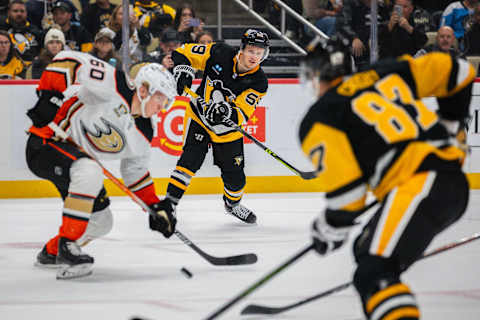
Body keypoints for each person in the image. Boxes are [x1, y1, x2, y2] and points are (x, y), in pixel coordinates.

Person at [298, 35, 475, 320]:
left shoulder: (322, 115)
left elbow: (348, 196)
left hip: (421, 185)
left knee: (374, 270)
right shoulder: (389, 72)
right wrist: (451, 124)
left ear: (318, 74)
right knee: (364, 249)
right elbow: (462, 71)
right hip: (448, 182)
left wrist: (328, 228)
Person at [25, 51, 178, 279]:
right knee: (90, 170)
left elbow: (135, 172)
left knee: (102, 221)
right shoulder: (113, 84)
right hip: (47, 142)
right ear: (144, 90)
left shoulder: (145, 131)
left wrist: (155, 206)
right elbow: (69, 60)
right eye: (161, 99)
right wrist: (49, 95)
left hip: (76, 162)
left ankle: (52, 252)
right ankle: (69, 247)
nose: (163, 107)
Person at [158, 29, 269, 224]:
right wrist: (184, 70)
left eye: (259, 53)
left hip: (227, 131)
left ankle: (232, 205)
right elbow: (183, 51)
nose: (255, 56)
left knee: (236, 179)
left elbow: (243, 111)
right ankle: (169, 204)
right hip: (200, 118)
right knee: (188, 162)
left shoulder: (259, 82)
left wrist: (226, 113)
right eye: (251, 51)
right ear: (242, 49)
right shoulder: (219, 52)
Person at [0, 0, 42, 64]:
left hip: (30, 69)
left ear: (26, 13)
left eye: (22, 11)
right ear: (8, 12)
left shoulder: (35, 31)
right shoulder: (2, 27)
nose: (19, 14)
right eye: (15, 11)